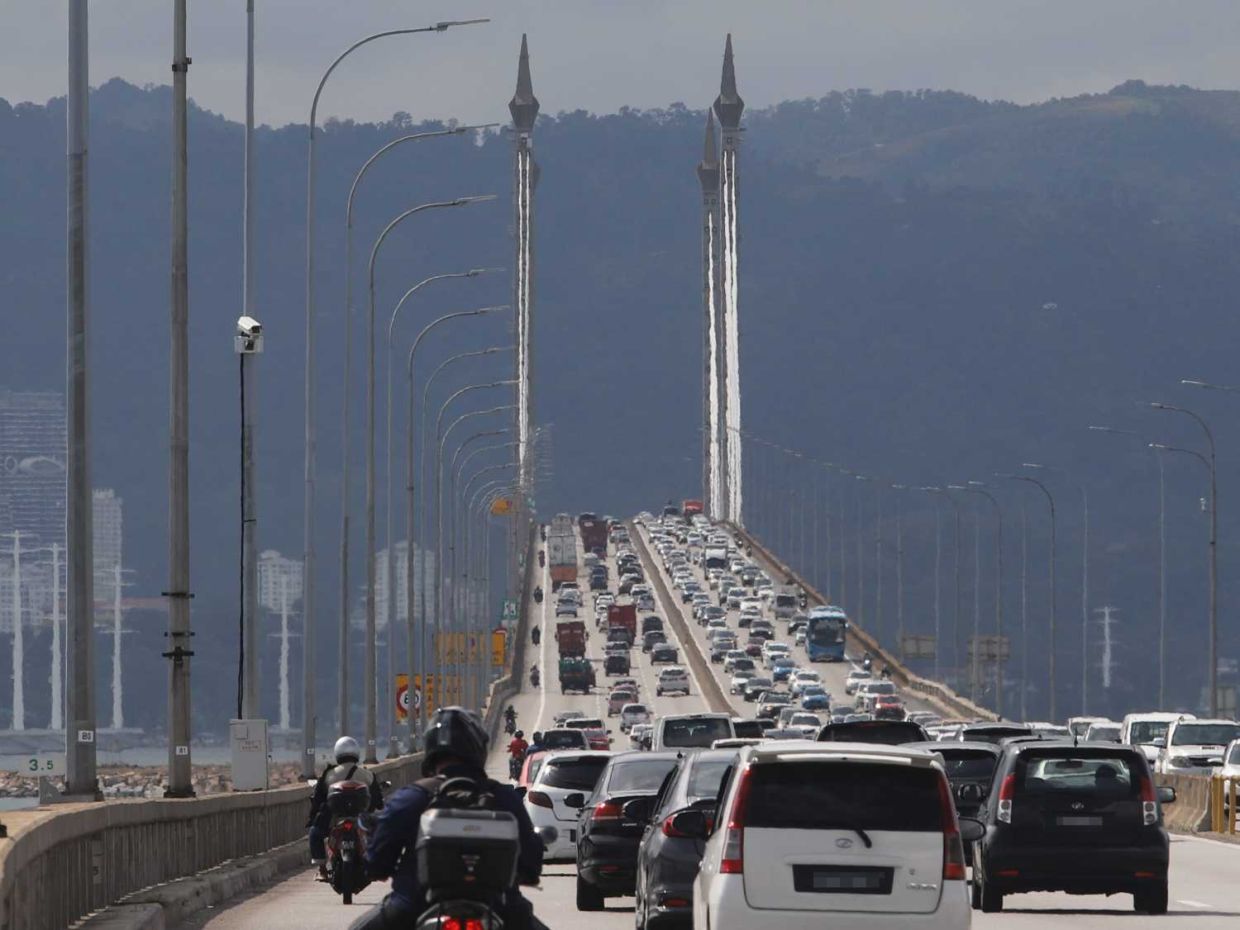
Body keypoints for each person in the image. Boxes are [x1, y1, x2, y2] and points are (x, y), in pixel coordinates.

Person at [351, 707, 546, 930]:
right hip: (500, 905)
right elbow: (531, 862)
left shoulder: (410, 798)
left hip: (413, 904)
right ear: (478, 749)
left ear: (431, 750)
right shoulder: (505, 798)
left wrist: (376, 867)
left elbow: (377, 862)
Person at [307, 736, 385, 877]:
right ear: (356, 752)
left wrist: (313, 818)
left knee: (315, 832)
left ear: (337, 753)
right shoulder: (368, 775)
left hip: (333, 818)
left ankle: (322, 870)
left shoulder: (329, 774)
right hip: (361, 818)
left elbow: (318, 800)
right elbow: (377, 801)